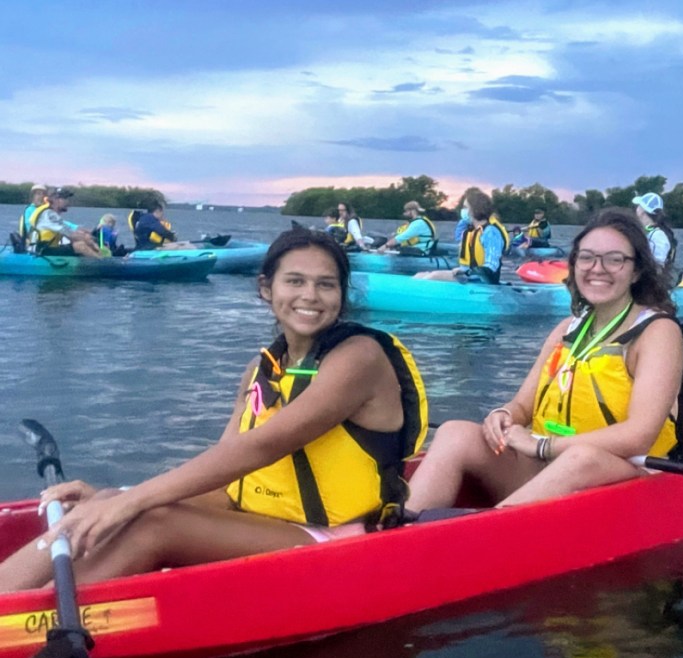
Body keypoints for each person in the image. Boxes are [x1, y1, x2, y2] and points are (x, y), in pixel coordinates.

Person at [0, 228, 428, 592]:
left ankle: (31, 623)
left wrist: (132, 506)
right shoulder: (262, 370)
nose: (310, 296)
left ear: (341, 293)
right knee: (112, 503)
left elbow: (262, 446)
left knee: (153, 521)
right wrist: (117, 498)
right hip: (266, 522)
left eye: (326, 284)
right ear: (267, 288)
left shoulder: (359, 358)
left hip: (344, 539)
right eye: (294, 282)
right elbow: (228, 475)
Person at [404, 207, 683, 517]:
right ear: (574, 266)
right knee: (455, 432)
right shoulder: (566, 329)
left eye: (614, 259)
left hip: (621, 475)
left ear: (637, 270)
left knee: (582, 457)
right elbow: (522, 407)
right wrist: (504, 415)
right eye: (586, 257)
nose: (597, 268)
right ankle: (400, 528)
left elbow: (639, 436)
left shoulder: (658, 332)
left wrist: (541, 446)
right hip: (551, 467)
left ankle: (478, 535)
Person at [416, 189, 508, 283]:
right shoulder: (471, 231)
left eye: (465, 207)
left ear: (475, 209)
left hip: (482, 280)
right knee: (420, 275)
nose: (462, 211)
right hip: (467, 276)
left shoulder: (490, 232)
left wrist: (468, 273)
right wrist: (466, 219)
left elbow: (491, 266)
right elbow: (458, 235)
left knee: (433, 277)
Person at [28, 187, 103, 258]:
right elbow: (69, 234)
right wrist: (89, 241)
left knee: (81, 243)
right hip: (42, 251)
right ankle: (104, 264)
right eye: (65, 198)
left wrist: (86, 236)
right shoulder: (49, 214)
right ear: (55, 200)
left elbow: (69, 230)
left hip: (46, 248)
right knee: (80, 246)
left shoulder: (51, 214)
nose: (68, 202)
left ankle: (97, 262)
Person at [631, 193, 680, 287]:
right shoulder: (649, 231)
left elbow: (657, 268)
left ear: (642, 211)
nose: (636, 208)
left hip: (651, 286)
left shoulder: (658, 236)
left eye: (639, 206)